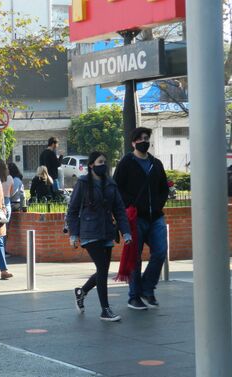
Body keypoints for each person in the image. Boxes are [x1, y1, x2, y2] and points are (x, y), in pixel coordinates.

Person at [67, 151, 131, 321]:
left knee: (103, 270)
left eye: (105, 161)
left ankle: (82, 291)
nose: (103, 165)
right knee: (102, 269)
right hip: (89, 232)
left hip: (107, 231)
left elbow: (119, 209)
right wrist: (73, 234)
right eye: (100, 162)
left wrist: (125, 231)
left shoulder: (111, 184)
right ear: (91, 165)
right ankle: (105, 309)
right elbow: (72, 210)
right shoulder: (82, 183)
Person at [113, 127, 169, 310]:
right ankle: (134, 296)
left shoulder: (156, 163)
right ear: (133, 142)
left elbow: (163, 188)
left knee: (160, 252)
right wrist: (131, 205)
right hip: (136, 217)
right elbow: (117, 188)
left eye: (147, 138)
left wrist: (158, 205)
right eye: (141, 139)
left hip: (156, 217)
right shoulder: (126, 163)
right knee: (134, 257)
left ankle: (148, 288)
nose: (144, 141)